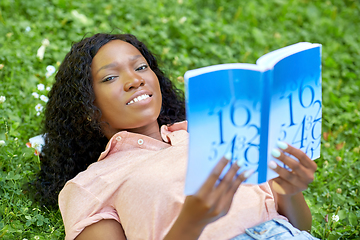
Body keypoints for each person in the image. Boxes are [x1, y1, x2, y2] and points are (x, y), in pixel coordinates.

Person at [36, 33, 319, 240]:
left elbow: (300, 228)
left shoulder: (213, 133)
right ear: (87, 108)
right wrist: (192, 221)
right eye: (110, 77)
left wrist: (289, 190)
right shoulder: (90, 184)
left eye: (141, 67)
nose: (135, 80)